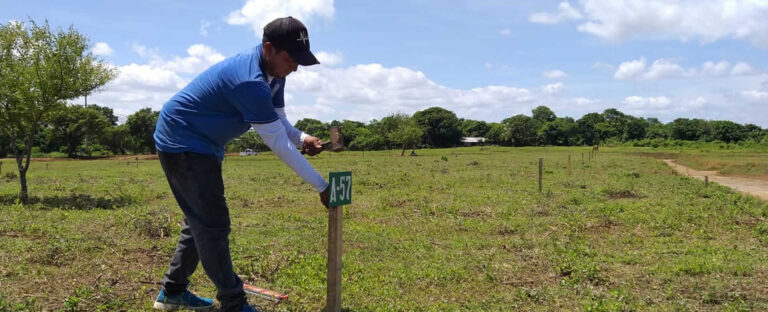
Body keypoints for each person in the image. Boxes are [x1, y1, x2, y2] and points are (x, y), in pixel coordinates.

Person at [152, 17, 329, 312]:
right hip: (182, 140)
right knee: (212, 225)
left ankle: (172, 292)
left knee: (199, 222)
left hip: (204, 144)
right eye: (291, 58)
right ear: (269, 49)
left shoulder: (275, 73)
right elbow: (276, 142)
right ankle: (233, 304)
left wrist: (304, 137)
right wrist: (321, 185)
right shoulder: (249, 81)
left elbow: (279, 121)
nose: (296, 67)